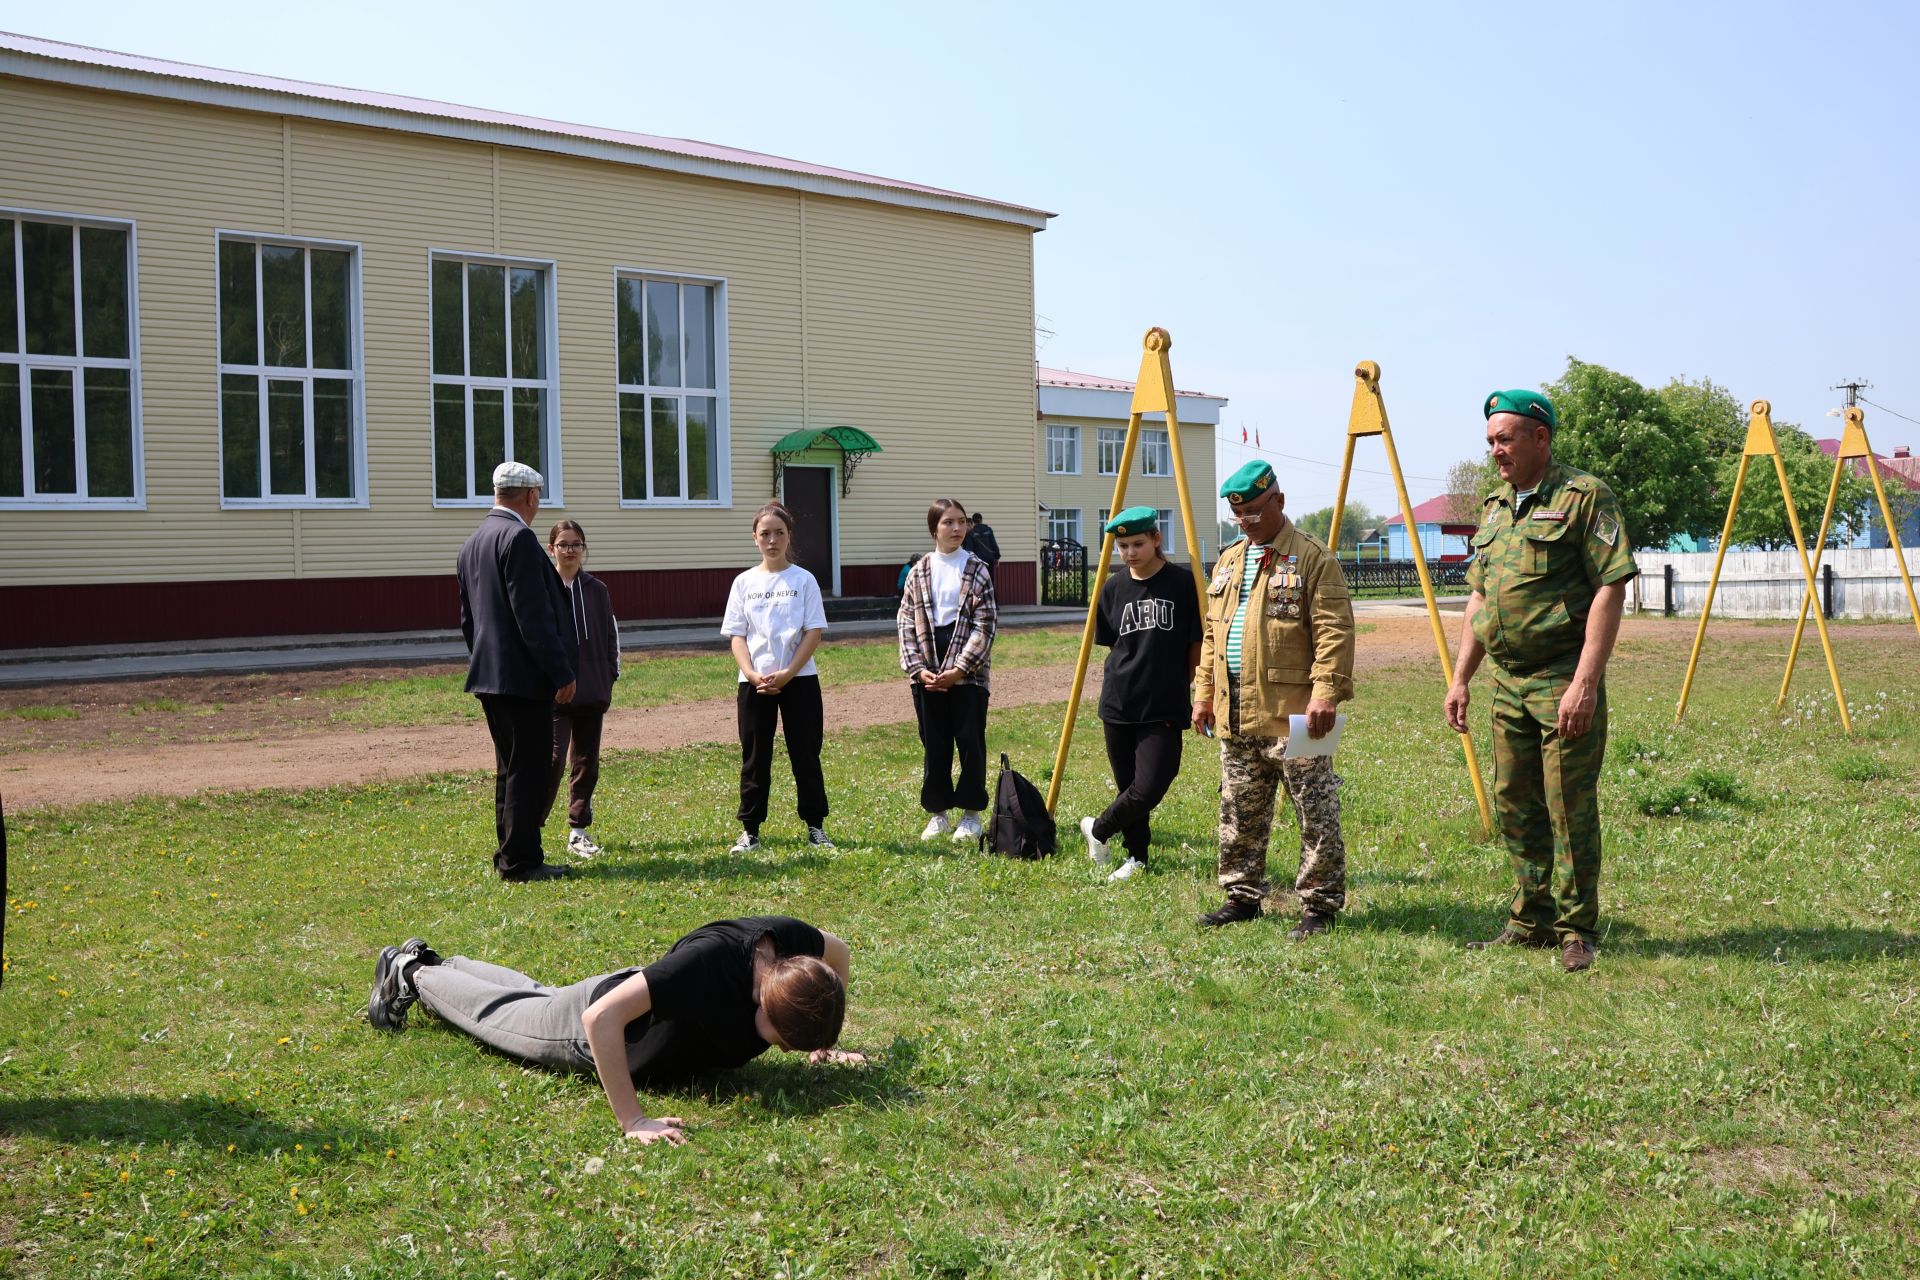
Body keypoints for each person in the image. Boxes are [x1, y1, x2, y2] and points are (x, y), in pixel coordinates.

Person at [365, 916, 865, 1146]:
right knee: (499, 1019)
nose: (771, 1047)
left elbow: (837, 950)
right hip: (604, 1031)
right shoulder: (709, 967)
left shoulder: (796, 951)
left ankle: (439, 963)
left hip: (628, 995)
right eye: (777, 1038)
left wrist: (823, 1045)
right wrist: (634, 1121)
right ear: (763, 998)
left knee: (532, 995)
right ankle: (409, 972)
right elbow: (598, 1019)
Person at [1445, 389, 1636, 973]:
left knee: (1567, 805)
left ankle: (1576, 929)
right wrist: (1460, 679)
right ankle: (1531, 918)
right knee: (1513, 802)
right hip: (1507, 681)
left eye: (1505, 440)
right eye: (1490, 442)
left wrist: (1584, 682)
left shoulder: (1584, 497)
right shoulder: (1496, 505)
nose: (1496, 452)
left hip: (1560, 678)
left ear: (1540, 438)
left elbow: (1611, 586)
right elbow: (1480, 595)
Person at [1192, 461, 1355, 936]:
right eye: (1237, 514)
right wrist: (1203, 693)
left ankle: (1319, 906)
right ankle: (1241, 896)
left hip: (1299, 714)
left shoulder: (1312, 558)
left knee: (1316, 808)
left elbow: (1334, 631)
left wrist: (1326, 692)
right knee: (1239, 807)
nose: (1245, 521)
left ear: (1279, 502)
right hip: (1237, 709)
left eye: (1254, 512)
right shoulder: (1228, 561)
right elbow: (1211, 635)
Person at [456, 461, 578, 883]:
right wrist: (561, 672)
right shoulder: (519, 539)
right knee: (528, 769)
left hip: (491, 675)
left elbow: (469, 620)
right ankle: (521, 862)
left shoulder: (473, 541)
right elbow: (534, 617)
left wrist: (486, 661)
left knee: (510, 767)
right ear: (529, 496)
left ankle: (509, 851)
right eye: (538, 497)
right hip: (523, 680)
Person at [1079, 507, 1202, 883]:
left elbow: (1196, 639)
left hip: (1164, 700)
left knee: (1152, 784)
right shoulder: (1114, 587)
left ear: (1156, 539)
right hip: (1118, 702)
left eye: (1138, 543)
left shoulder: (1182, 582)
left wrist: (1196, 684)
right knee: (1128, 785)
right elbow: (1113, 643)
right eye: (1123, 545)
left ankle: (1098, 828)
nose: (1130, 552)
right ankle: (1138, 857)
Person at [721, 503, 833, 854]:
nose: (772, 540)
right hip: (754, 684)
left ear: (789, 537)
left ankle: (815, 826)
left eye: (779, 533)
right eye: (765, 533)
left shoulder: (803, 580)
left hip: (798, 680)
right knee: (755, 755)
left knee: (806, 753)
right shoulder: (744, 583)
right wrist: (753, 675)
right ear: (755, 538)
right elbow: (737, 636)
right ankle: (750, 830)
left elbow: (813, 632)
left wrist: (787, 673)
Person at [898, 497, 998, 842]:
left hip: (968, 672)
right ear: (934, 528)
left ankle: (971, 814)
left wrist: (959, 669)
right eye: (948, 522)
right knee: (934, 743)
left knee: (970, 741)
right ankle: (938, 813)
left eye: (961, 521)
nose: (957, 528)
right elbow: (906, 623)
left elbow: (984, 625)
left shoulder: (977, 569)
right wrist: (918, 668)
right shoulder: (919, 572)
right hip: (927, 667)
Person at [544, 520, 620, 860]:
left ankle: (578, 831)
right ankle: (531, 826)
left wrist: (608, 675)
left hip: (591, 691)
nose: (570, 550)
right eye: (563, 544)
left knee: (586, 763)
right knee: (552, 759)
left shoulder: (596, 589)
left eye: (576, 544)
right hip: (554, 694)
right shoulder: (543, 588)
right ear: (552, 549)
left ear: (583, 548)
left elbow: (609, 636)